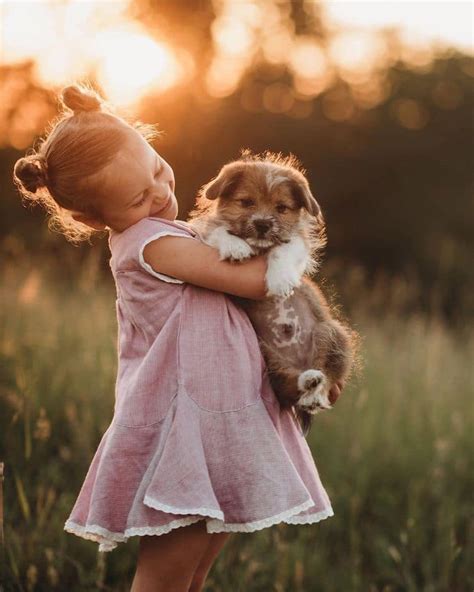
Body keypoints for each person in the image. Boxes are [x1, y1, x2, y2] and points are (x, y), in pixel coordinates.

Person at [13, 83, 341, 592]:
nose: (161, 193)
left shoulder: (176, 231)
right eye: (138, 197)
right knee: (166, 574)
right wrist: (288, 243)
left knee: (194, 571)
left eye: (157, 170)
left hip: (221, 416)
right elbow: (257, 281)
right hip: (182, 425)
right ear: (91, 218)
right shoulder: (151, 244)